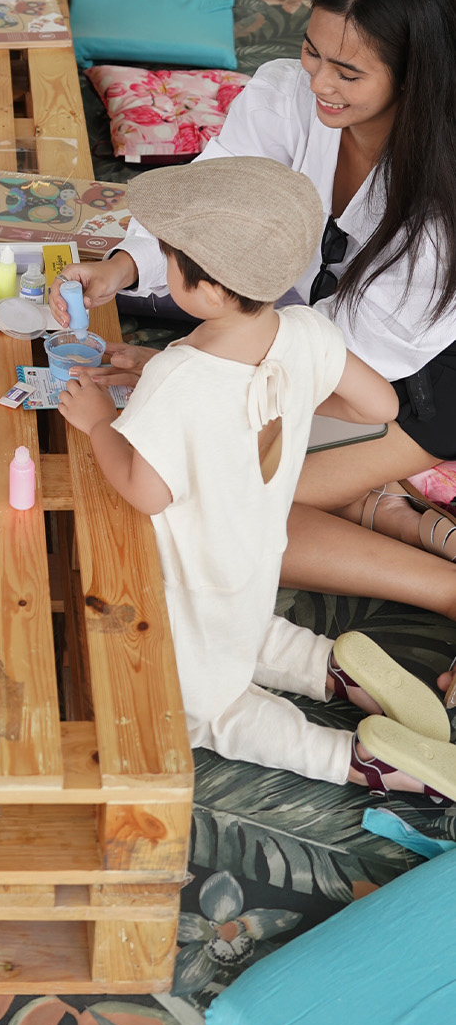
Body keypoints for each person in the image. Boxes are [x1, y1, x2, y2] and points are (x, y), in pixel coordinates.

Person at [54, 0, 456, 626]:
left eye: (348, 71)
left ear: (413, 78)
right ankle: (383, 507)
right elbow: (209, 200)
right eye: (312, 51)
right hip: (299, 338)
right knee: (216, 469)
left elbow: (358, 380)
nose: (318, 81)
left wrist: (196, 372)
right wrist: (122, 267)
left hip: (410, 383)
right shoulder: (285, 95)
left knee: (213, 498)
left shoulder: (441, 204)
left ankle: (441, 586)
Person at [58, 156, 456, 799]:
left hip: (189, 577)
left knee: (206, 708)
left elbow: (145, 489)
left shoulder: (180, 378)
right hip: (257, 552)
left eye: (170, 254)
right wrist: (293, 396)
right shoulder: (305, 330)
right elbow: (380, 406)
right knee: (238, 631)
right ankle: (334, 669)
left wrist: (100, 422)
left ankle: (359, 760)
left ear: (208, 290)